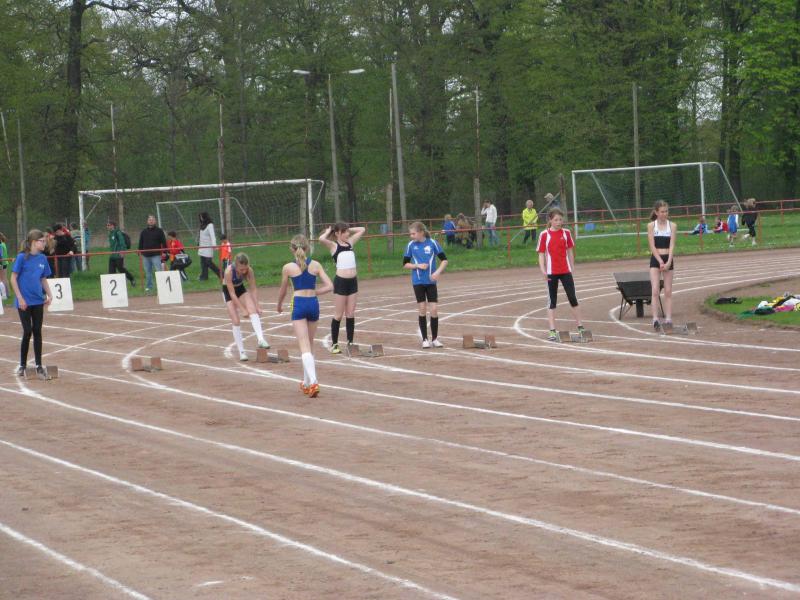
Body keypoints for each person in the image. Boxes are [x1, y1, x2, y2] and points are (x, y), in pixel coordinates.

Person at [276, 234, 333, 397]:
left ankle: (314, 382)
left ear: (291, 249)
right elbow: (330, 286)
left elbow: (283, 290)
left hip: (299, 304)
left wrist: (279, 305)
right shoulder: (315, 265)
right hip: (313, 304)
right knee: (310, 344)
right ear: (307, 248)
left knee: (303, 345)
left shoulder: (288, 267)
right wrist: (315, 292)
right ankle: (307, 382)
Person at [10, 229, 53, 379]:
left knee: (37, 331)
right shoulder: (22, 257)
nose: (44, 243)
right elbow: (13, 278)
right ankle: (22, 365)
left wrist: (49, 294)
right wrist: (20, 298)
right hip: (24, 302)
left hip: (37, 301)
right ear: (34, 242)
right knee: (27, 331)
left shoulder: (42, 258)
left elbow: (43, 278)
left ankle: (39, 365)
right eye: (42, 241)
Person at [538, 208, 585, 341]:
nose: (559, 222)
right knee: (552, 301)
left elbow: (570, 251)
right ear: (550, 220)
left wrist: (572, 266)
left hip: (565, 271)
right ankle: (552, 330)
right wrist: (543, 270)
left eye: (560, 219)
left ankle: (580, 327)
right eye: (556, 220)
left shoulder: (566, 233)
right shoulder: (544, 235)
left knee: (573, 298)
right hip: (551, 272)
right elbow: (541, 254)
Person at [318, 223, 366, 353]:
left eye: (347, 231)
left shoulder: (350, 243)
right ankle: (335, 344)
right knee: (338, 315)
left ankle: (350, 343)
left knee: (350, 314)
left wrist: (348, 228)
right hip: (341, 282)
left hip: (353, 282)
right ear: (338, 233)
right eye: (344, 232)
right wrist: (328, 231)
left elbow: (362, 229)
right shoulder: (334, 246)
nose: (347, 234)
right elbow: (321, 239)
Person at [403, 221, 448, 348]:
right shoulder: (411, 245)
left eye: (413, 233)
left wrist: (437, 272)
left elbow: (444, 260)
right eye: (410, 234)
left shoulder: (432, 243)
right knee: (422, 308)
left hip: (431, 282)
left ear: (421, 232)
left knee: (434, 309)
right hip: (418, 282)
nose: (411, 236)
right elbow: (405, 264)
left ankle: (435, 339)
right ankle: (424, 339)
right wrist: (417, 265)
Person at [222, 252, 270, 362]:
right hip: (229, 292)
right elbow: (232, 294)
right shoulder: (229, 272)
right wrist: (243, 309)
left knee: (253, 310)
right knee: (236, 321)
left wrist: (257, 305)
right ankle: (242, 352)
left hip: (240, 288)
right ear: (236, 265)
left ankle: (261, 339)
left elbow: (253, 288)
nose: (244, 271)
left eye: (245, 268)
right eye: (241, 269)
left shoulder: (249, 270)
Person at [647, 200, 676, 329]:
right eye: (662, 212)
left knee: (668, 290)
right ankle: (655, 319)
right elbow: (652, 246)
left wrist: (668, 261)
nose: (664, 214)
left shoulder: (672, 226)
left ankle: (668, 319)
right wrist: (660, 261)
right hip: (656, 259)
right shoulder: (651, 226)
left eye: (666, 211)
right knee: (655, 290)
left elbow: (672, 245)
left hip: (668, 258)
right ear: (656, 212)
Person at [138, 215, 167, 293]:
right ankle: (149, 287)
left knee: (159, 271)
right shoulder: (143, 231)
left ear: (155, 221)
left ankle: (161, 287)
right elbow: (141, 242)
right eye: (149, 220)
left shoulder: (159, 231)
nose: (151, 221)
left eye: (152, 220)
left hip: (156, 255)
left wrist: (165, 252)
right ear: (147, 221)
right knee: (148, 272)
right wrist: (139, 252)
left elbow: (164, 242)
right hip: (145, 255)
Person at [107, 221, 136, 286]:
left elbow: (122, 242)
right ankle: (115, 286)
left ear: (113, 226)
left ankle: (131, 279)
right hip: (112, 255)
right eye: (107, 225)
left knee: (121, 269)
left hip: (118, 255)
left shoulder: (118, 232)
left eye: (109, 225)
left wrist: (122, 251)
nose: (107, 227)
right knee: (111, 272)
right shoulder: (110, 234)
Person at [198, 211, 221, 281]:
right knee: (203, 263)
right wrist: (198, 244)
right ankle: (204, 277)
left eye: (201, 217)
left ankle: (221, 274)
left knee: (209, 263)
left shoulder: (210, 225)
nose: (200, 218)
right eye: (200, 217)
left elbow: (213, 236)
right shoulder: (202, 225)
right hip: (202, 247)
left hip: (208, 248)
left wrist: (214, 245)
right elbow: (201, 236)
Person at [0, 231, 8, 299]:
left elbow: (1, 255)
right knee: (5, 279)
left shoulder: (1, 245)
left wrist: (1, 264)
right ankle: (7, 293)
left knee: (2, 280)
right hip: (4, 263)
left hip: (3, 263)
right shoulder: (3, 244)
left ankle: (4, 295)